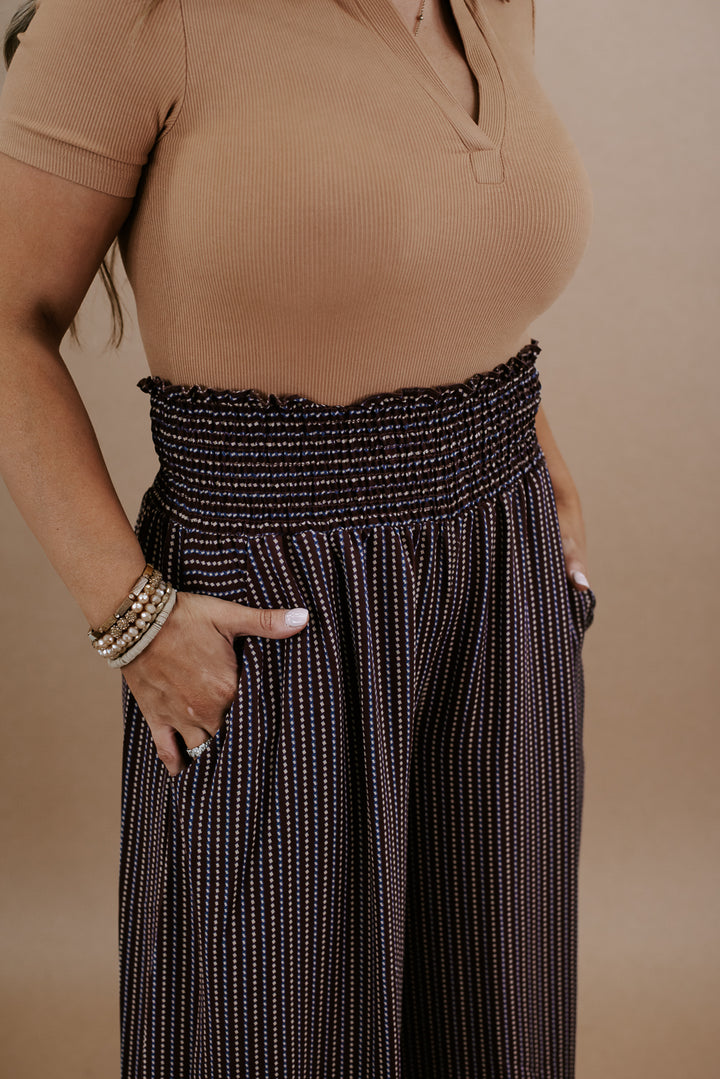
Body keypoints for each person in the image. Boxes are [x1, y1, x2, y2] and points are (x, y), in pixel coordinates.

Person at [0, 0, 597, 1075]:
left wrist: (533, 449)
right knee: (276, 1032)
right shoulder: (140, 14)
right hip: (276, 599)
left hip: (500, 575)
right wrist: (131, 614)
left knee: (497, 1015)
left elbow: (445, 252)